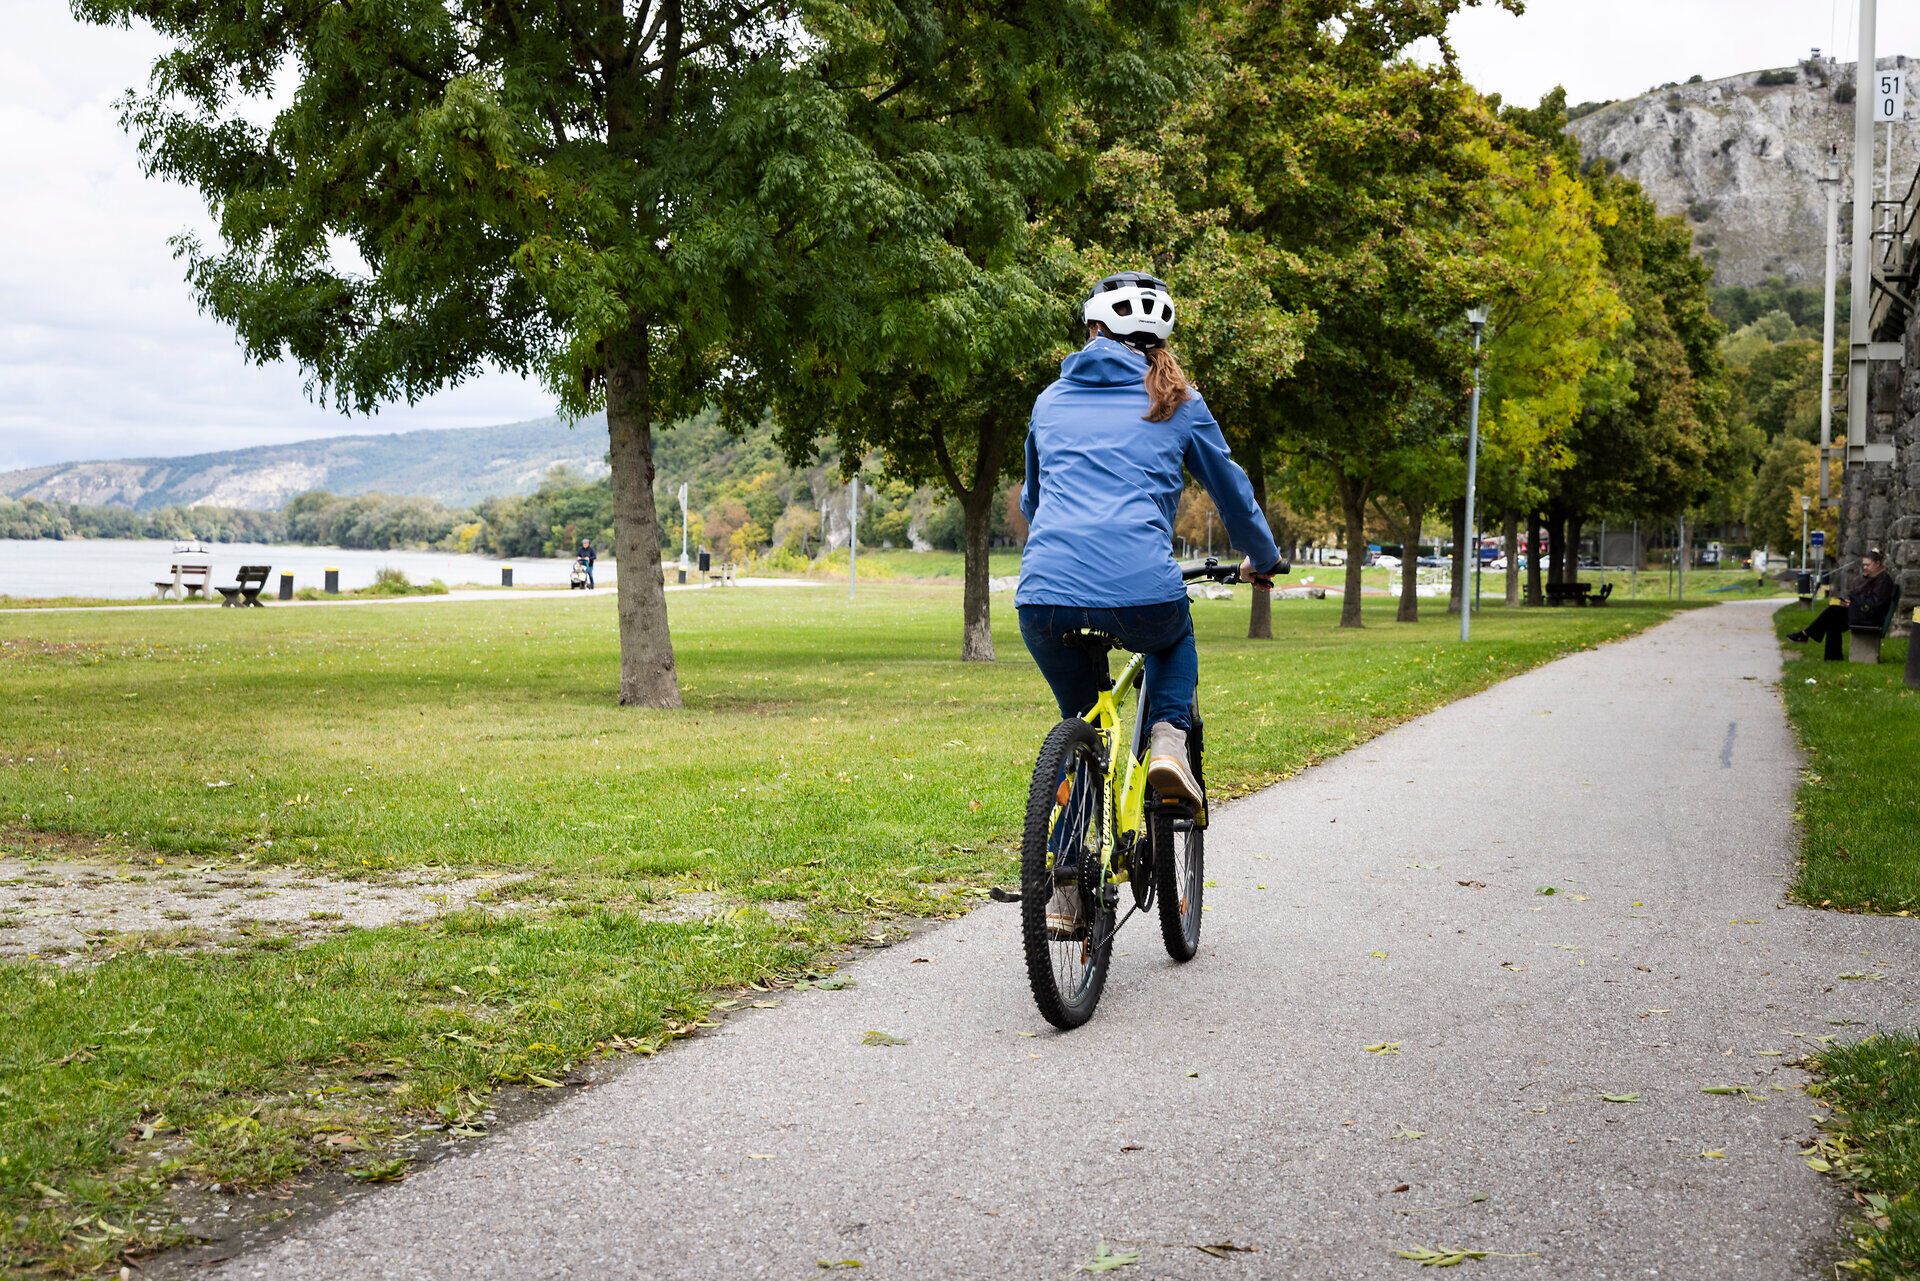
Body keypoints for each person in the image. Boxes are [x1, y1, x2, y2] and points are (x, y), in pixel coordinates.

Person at [1017, 271, 1283, 934]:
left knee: (1083, 724)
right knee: (1172, 637)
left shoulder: (1049, 401)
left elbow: (1032, 502)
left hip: (1044, 595)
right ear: (1157, 341)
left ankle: (1066, 894)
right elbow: (1234, 494)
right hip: (1141, 588)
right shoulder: (1179, 400)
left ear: (1092, 332)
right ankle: (1168, 738)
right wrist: (1263, 556)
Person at [1788, 548, 1893, 660]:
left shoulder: (1883, 581)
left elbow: (1875, 605)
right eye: (1864, 565)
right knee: (1833, 619)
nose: (1865, 568)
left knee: (1833, 612)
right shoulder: (1873, 578)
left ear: (1877, 564)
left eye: (1868, 565)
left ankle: (1806, 634)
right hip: (1864, 614)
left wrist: (1854, 601)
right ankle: (1832, 657)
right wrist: (1851, 603)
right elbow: (1866, 600)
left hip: (1871, 619)